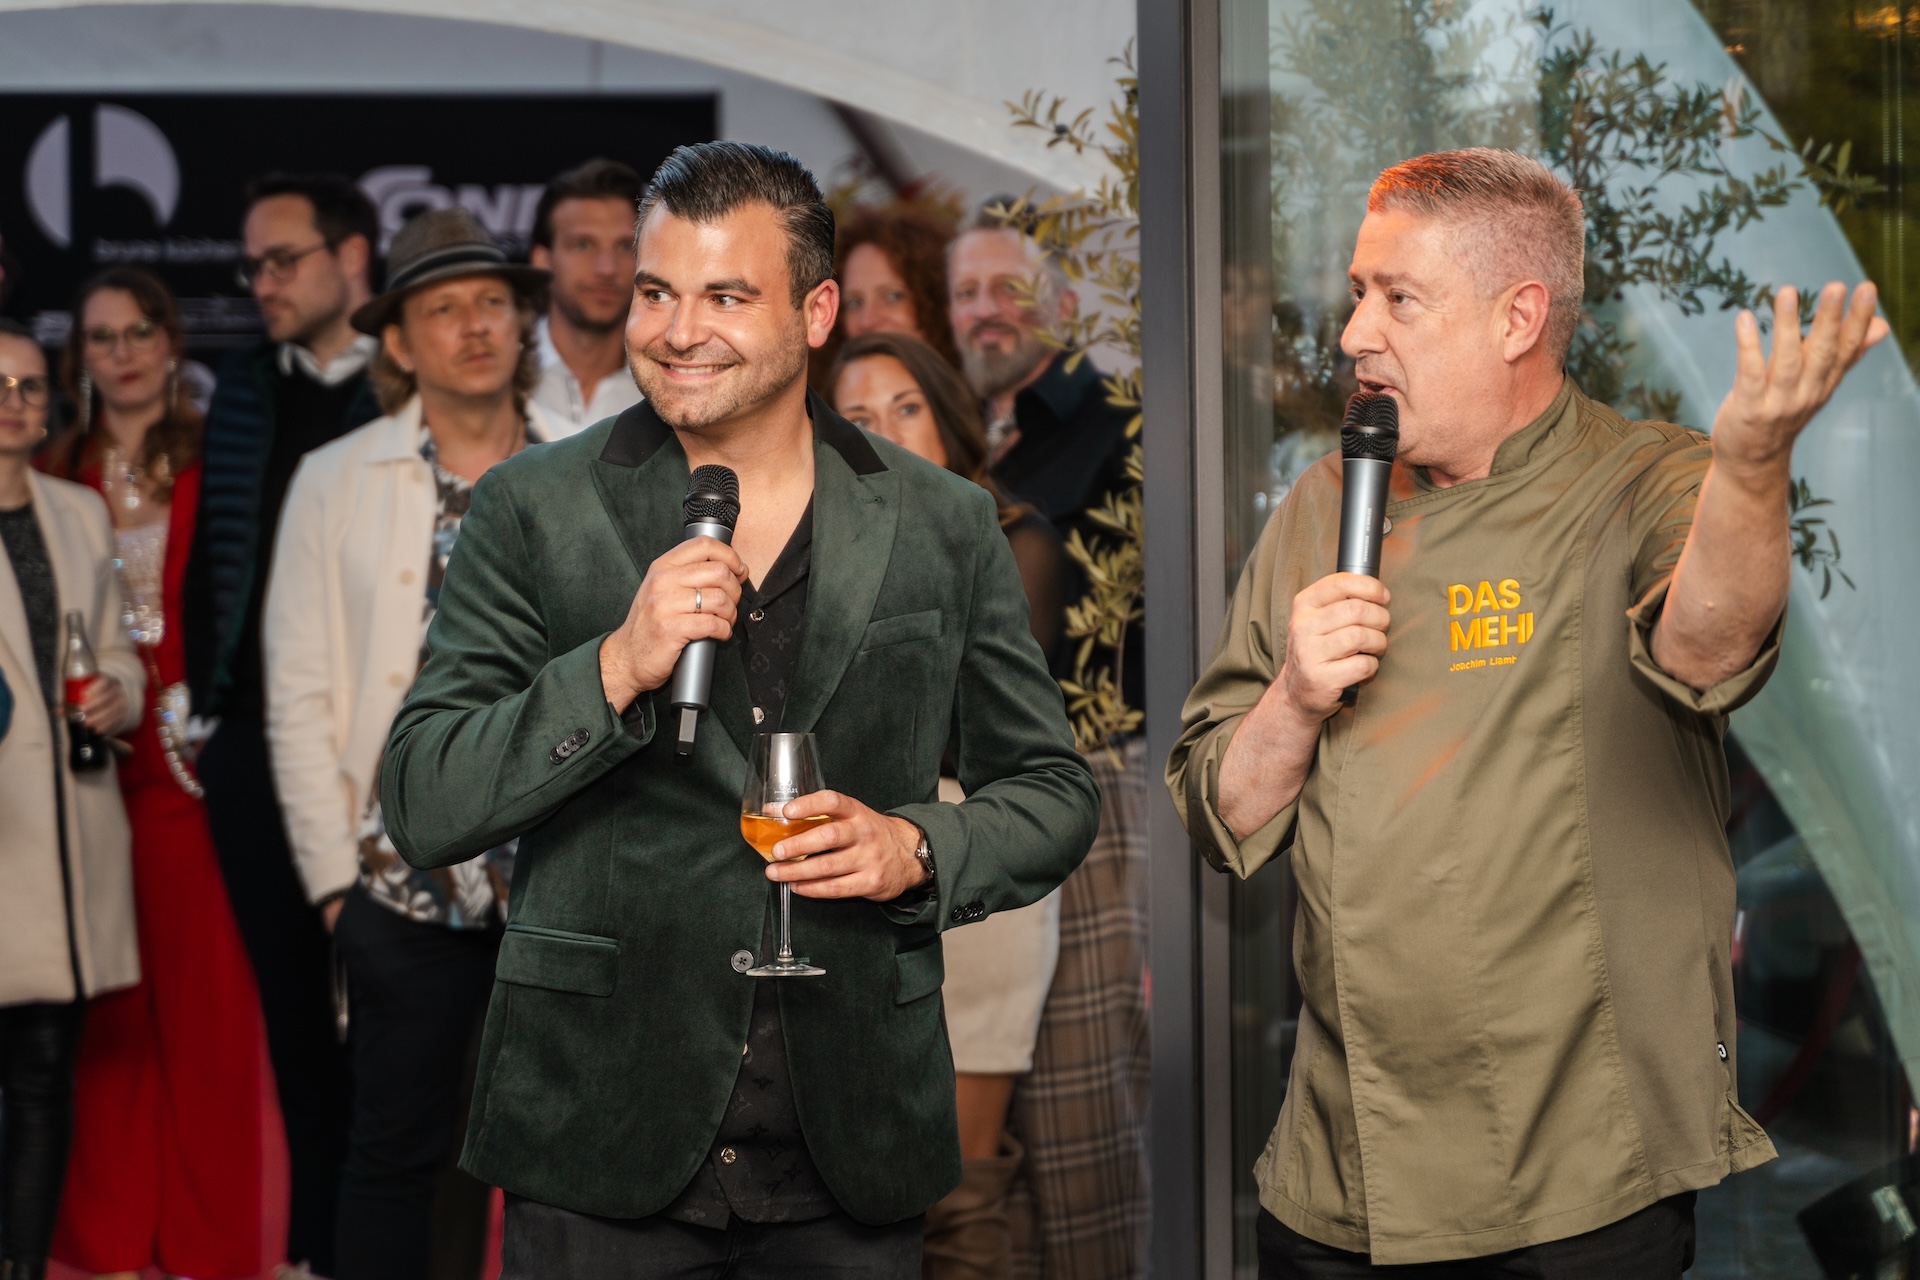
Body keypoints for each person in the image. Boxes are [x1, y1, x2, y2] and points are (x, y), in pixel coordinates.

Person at [375, 140, 1099, 1278]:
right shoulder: (531, 507)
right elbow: (425, 798)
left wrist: (914, 847)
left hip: (850, 1141)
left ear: (817, 311)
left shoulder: (944, 522)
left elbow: (1052, 794)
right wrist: (616, 664)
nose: (676, 330)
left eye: (725, 295)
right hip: (599, 1133)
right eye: (655, 292)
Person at [1168, 148, 1888, 1277]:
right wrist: (1296, 698)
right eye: (1358, 293)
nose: (1355, 333)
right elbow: (1222, 809)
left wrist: (1752, 468)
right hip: (1343, 1173)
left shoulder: (1646, 478)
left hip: (1573, 1179)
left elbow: (1708, 640)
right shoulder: (1322, 502)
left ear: (1518, 318)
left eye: (1398, 298)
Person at [264, 206, 555, 1279]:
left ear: (521, 322)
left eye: (493, 302)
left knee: (557, 1166)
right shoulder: (335, 477)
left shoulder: (589, 472)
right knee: (393, 1160)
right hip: (398, 886)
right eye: (443, 309)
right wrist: (334, 890)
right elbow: (295, 693)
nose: (474, 326)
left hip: (557, 878)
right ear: (397, 339)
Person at [39, 270, 262, 1280]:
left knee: (211, 1013)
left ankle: (214, 1246)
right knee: (108, 1019)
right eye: (101, 337)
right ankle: (108, 1243)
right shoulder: (50, 472)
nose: (122, 353)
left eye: (139, 332)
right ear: (78, 357)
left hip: (196, 767)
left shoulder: (218, 460)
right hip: (80, 764)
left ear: (172, 344)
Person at [831, 330, 1066, 1279]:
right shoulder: (813, 547)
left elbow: (982, 737)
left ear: (947, 418)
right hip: (842, 875)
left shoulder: (1010, 537)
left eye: (906, 408)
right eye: (856, 417)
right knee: (857, 1182)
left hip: (971, 860)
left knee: (960, 1189)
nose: (884, 432)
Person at [181, 171, 381, 1278]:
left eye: (281, 260)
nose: (261, 283)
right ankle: (314, 1252)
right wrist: (210, 711)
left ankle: (390, 1248)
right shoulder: (246, 389)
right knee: (296, 1019)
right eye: (251, 264)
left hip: (383, 747)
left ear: (351, 258)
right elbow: (216, 562)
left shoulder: (401, 387)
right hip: (257, 744)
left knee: (398, 1018)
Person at [947, 204, 1148, 1280]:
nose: (985, 311)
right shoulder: (956, 436)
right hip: (973, 799)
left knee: (1078, 1108)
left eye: (1007, 288)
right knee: (991, 1112)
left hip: (1093, 782)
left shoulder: (1122, 430)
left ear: (1064, 304)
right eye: (966, 293)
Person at [0, 317, 145, 1280]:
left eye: (27, 386)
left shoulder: (79, 511)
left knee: (45, 1078)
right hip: (4, 834)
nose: (14, 404)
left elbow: (120, 654)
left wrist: (117, 695)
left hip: (69, 833)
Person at [528, 158, 644, 437]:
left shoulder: (668, 386)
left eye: (624, 247)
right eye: (583, 245)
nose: (607, 269)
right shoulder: (496, 373)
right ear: (542, 260)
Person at [811, 204, 964, 390]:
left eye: (892, 297)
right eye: (854, 302)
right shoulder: (815, 405)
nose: (867, 321)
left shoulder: (984, 402)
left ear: (937, 302)